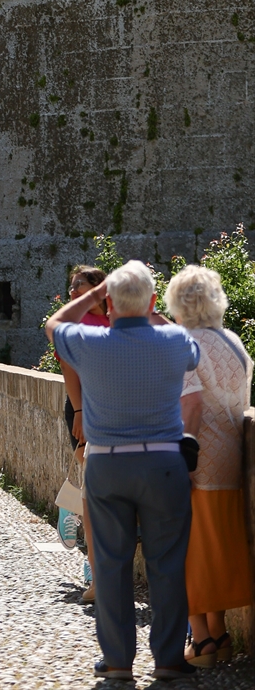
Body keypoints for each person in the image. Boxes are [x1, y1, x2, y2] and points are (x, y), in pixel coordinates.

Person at [47, 260, 200, 684]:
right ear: (152, 301)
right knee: (167, 564)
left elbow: (54, 324)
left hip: (107, 463)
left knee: (111, 565)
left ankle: (117, 662)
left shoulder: (90, 341)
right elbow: (191, 350)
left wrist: (97, 298)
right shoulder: (172, 340)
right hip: (163, 464)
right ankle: (168, 660)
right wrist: (148, 308)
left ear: (109, 302)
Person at [168, 265, 253, 668]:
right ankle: (217, 633)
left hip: (197, 460)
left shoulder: (184, 343)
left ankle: (200, 640)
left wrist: (181, 463)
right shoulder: (234, 342)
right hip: (232, 461)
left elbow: (190, 407)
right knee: (217, 549)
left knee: (190, 550)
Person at [55, 265, 108, 601]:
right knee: (94, 490)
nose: (73, 291)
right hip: (82, 409)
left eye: (79, 285)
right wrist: (79, 411)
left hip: (109, 411)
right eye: (71, 286)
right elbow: (68, 370)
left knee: (97, 493)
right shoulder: (74, 325)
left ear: (98, 288)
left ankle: (69, 508)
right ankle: (94, 572)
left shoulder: (118, 318)